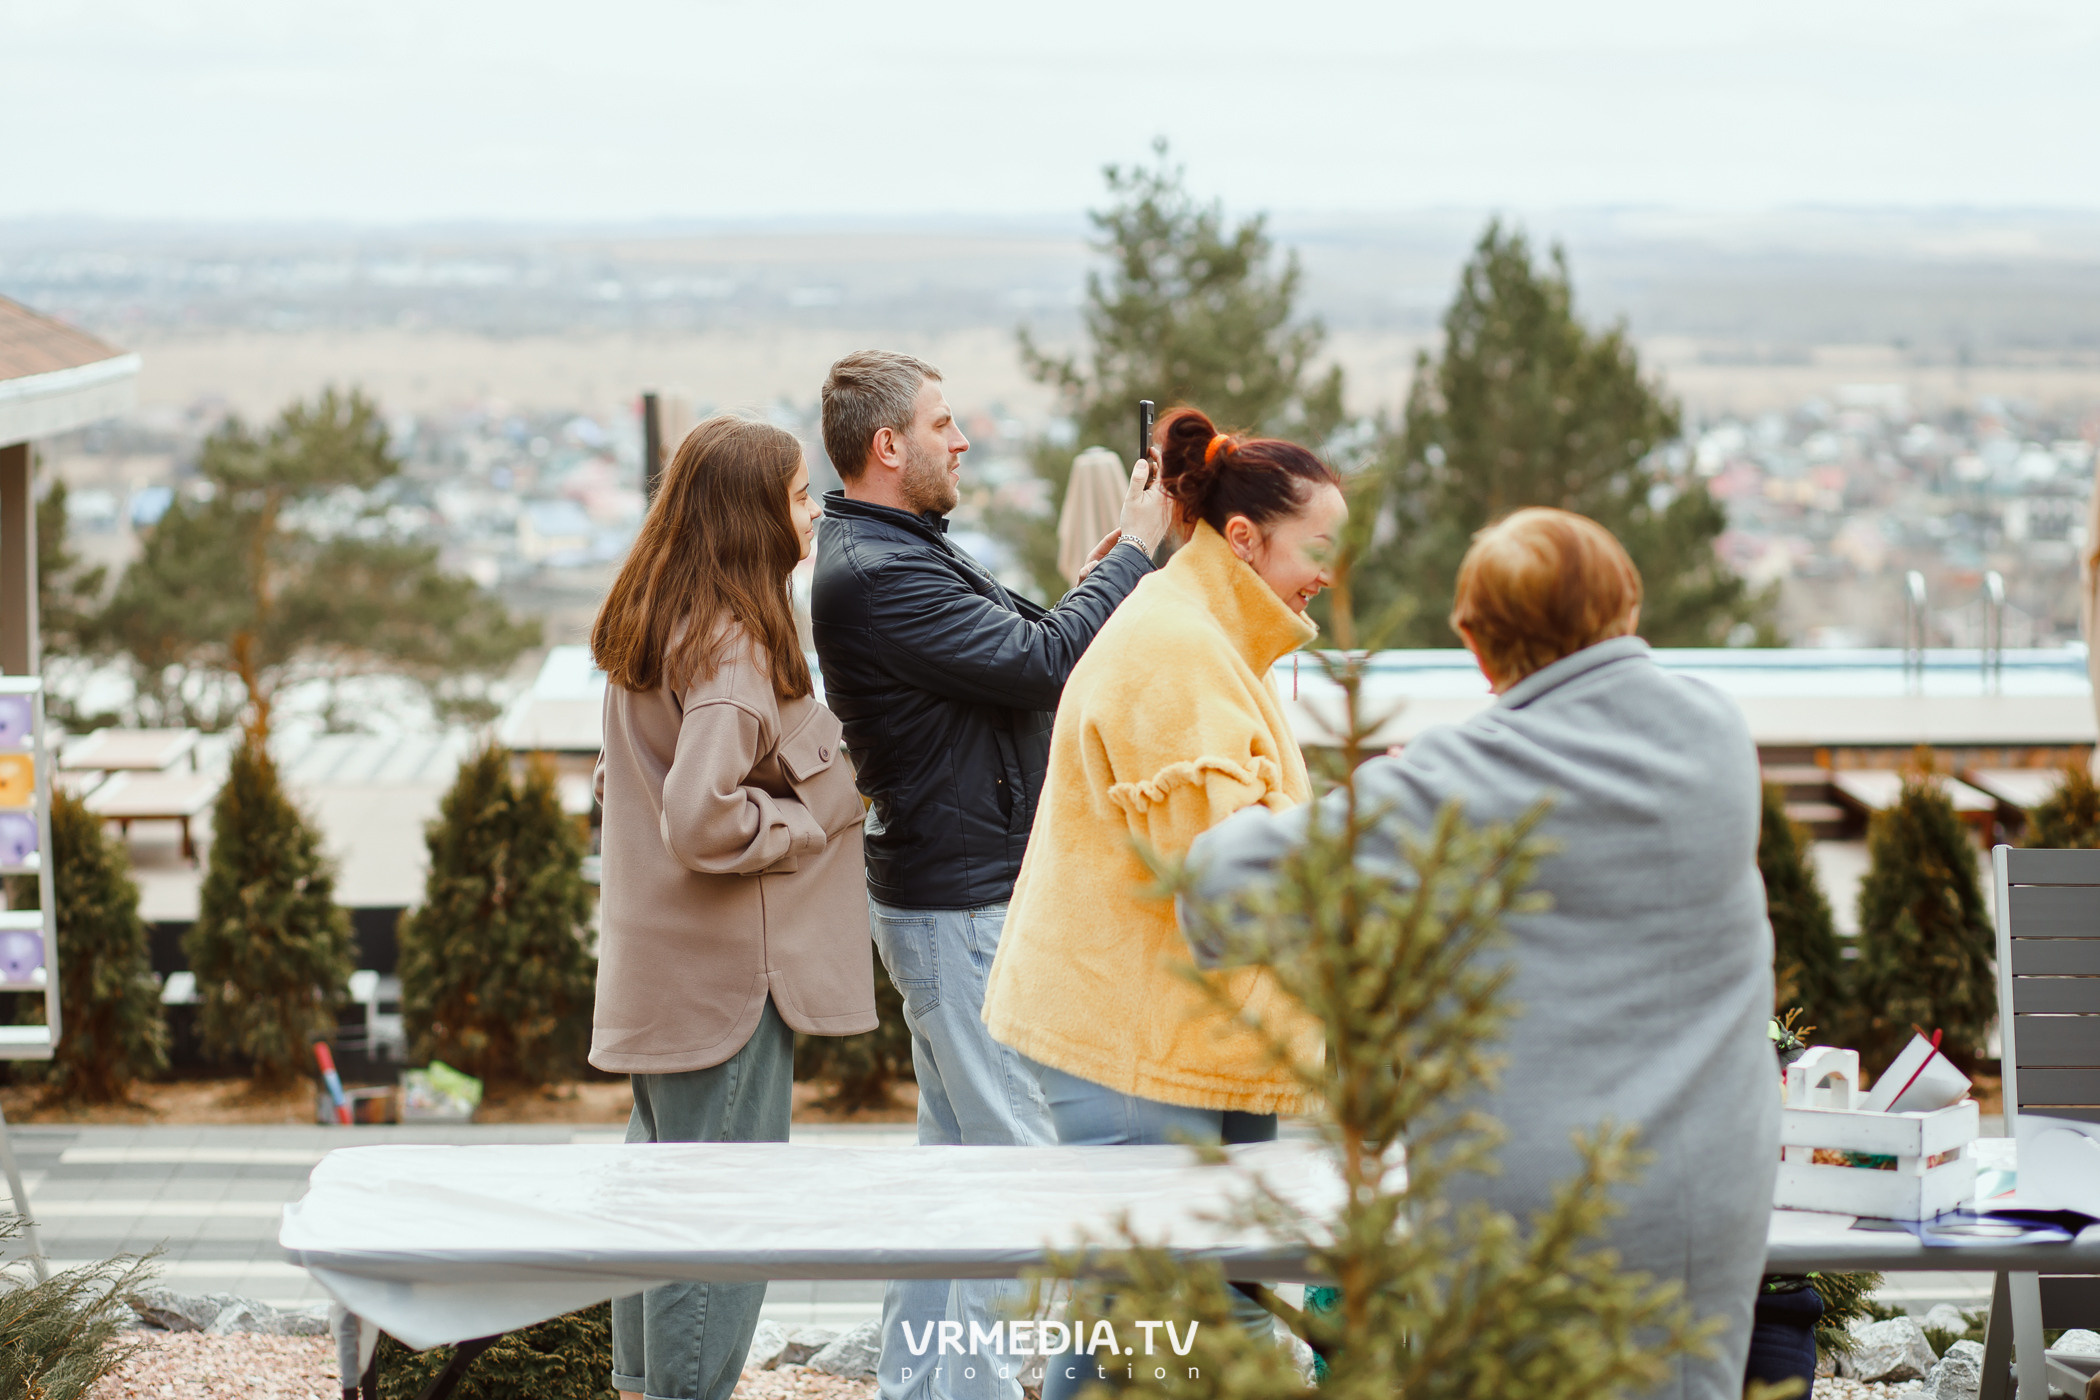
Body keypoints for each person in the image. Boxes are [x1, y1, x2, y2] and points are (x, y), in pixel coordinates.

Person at [1183, 506, 1782, 1400]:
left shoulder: (1451, 783)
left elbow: (1219, 894)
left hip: (1523, 1218)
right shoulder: (1715, 733)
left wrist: (1390, 786)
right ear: (1626, 603)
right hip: (1706, 1200)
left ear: (1476, 645)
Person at [810, 350, 1171, 1400]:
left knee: (958, 1177)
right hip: (962, 902)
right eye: (942, 421)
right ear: (889, 446)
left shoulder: (900, 549)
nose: (960, 438)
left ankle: (920, 1389)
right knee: (1017, 1175)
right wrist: (1138, 551)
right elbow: (1039, 662)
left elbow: (1026, 639)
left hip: (954, 891)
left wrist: (1113, 567)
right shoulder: (881, 573)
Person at [979, 407, 1344, 1400]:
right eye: (1317, 547)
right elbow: (1223, 889)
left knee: (1132, 1322)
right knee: (1170, 1312)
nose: (1329, 573)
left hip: (1185, 1031)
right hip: (1136, 1040)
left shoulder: (1211, 637)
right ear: (1242, 537)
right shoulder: (1178, 653)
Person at [591, 415, 877, 1400]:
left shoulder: (661, 615)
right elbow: (699, 819)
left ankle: (644, 1386)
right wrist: (799, 824)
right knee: (722, 1215)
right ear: (755, 514)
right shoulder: (732, 646)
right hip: (726, 987)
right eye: (801, 494)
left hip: (662, 976)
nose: (814, 511)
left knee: (663, 1199)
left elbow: (622, 786)